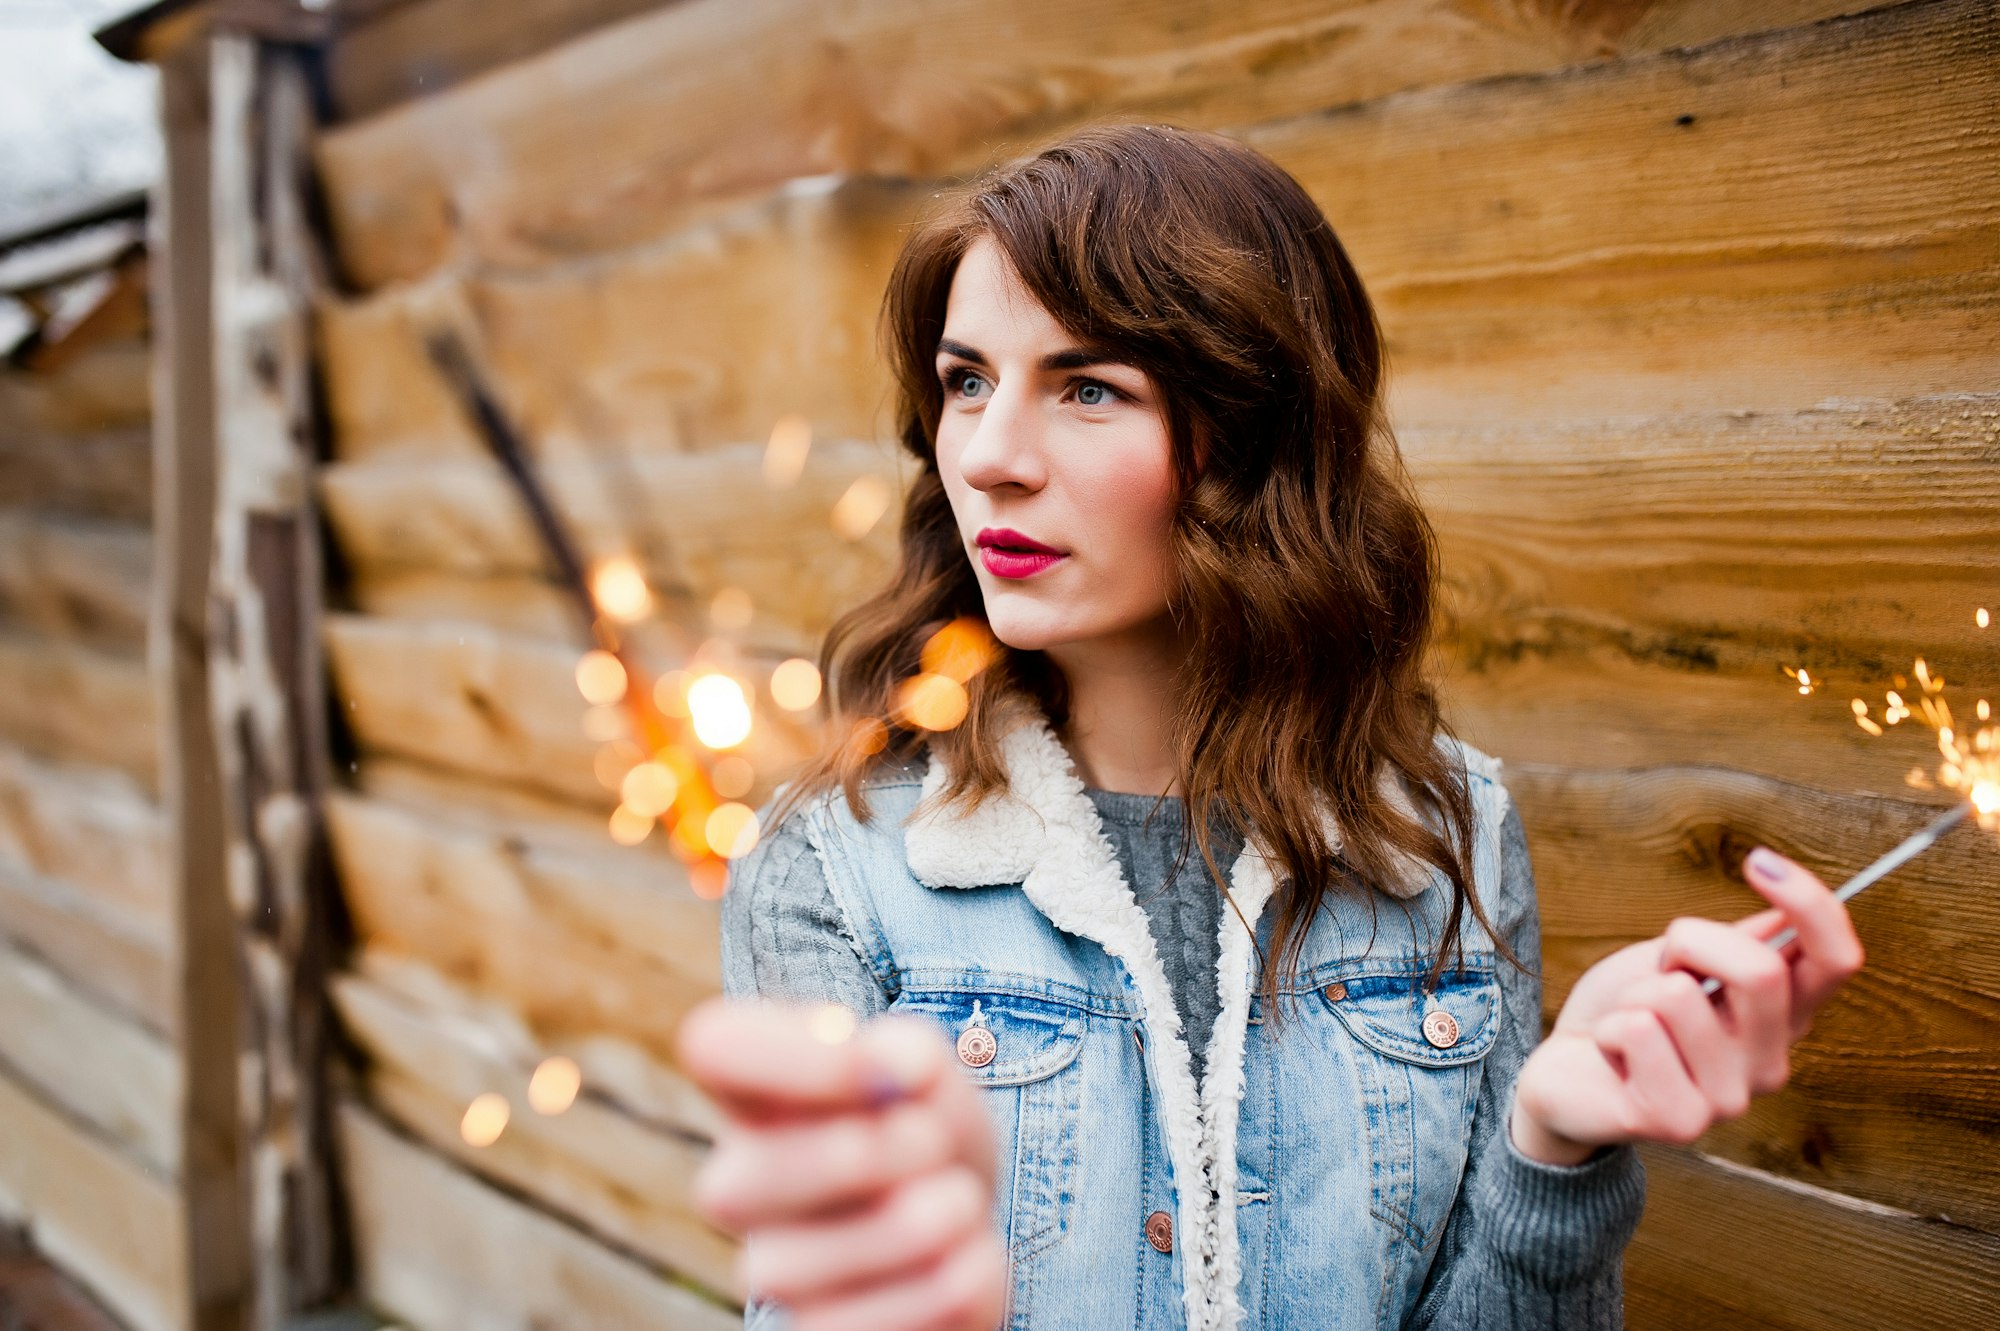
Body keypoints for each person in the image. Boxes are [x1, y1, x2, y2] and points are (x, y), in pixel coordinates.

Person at [675, 123, 1864, 1331]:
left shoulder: (1442, 834)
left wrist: (1553, 1146)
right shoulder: (835, 865)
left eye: (1087, 387)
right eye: (966, 379)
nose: (987, 456)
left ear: (1254, 439)